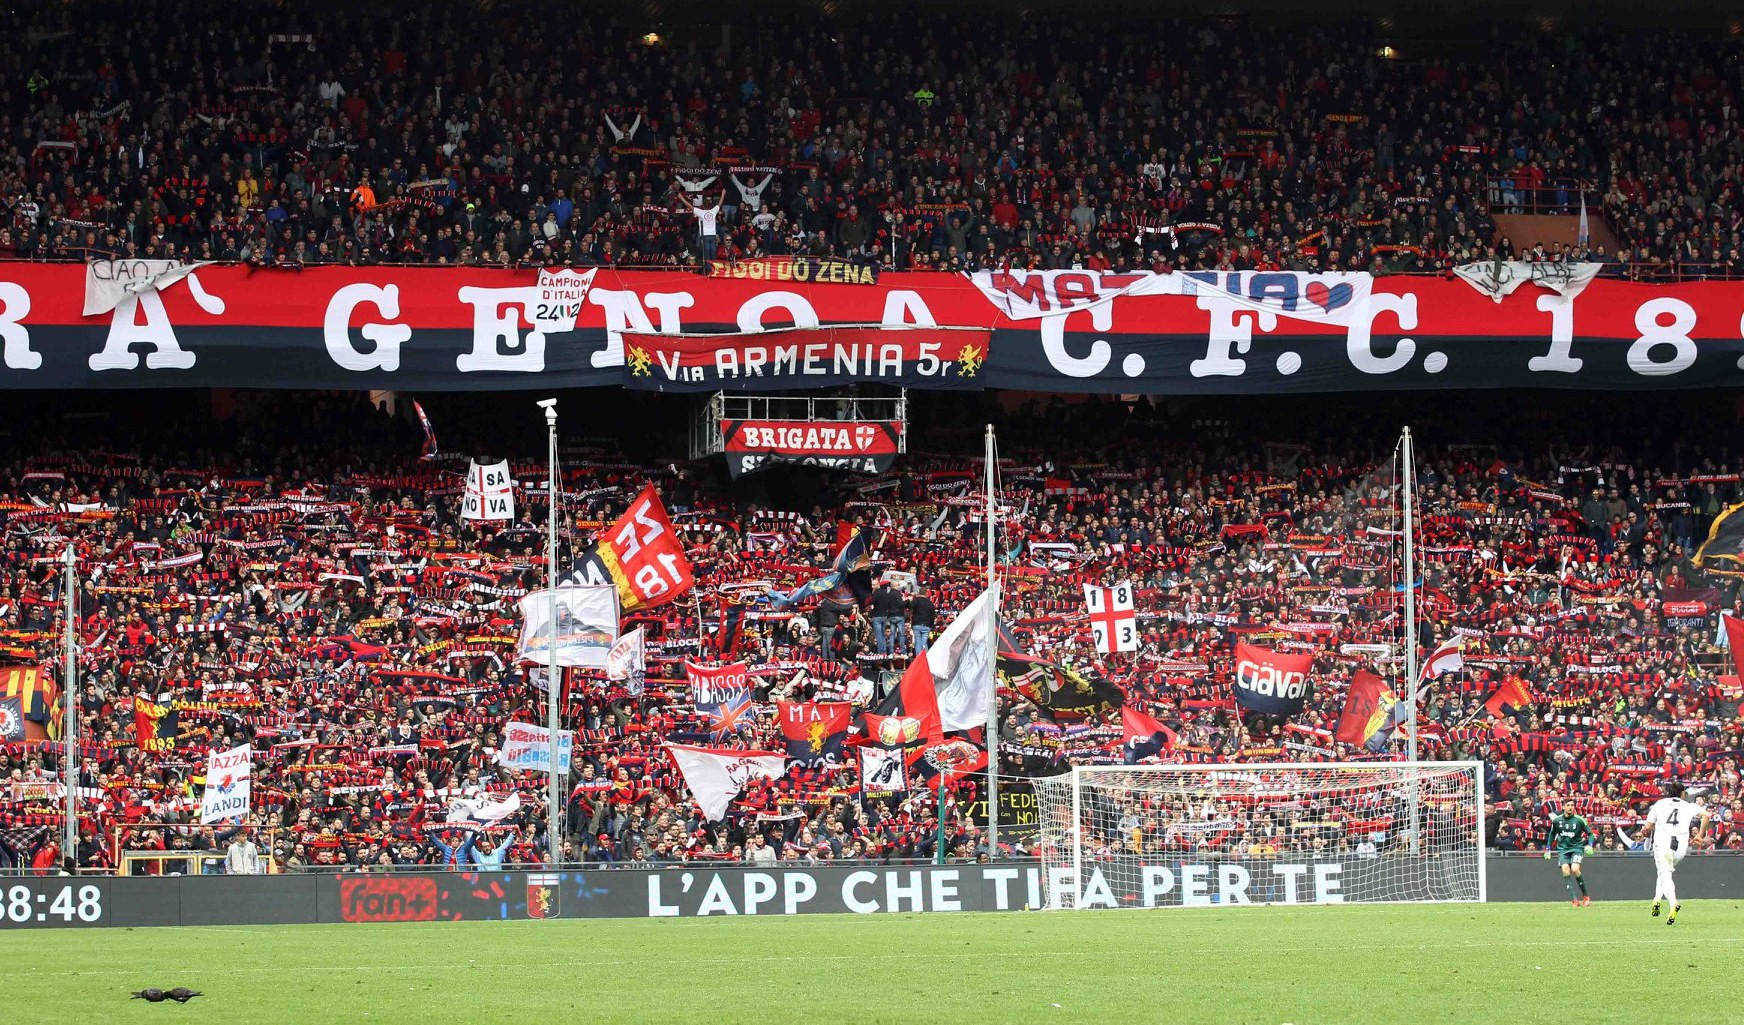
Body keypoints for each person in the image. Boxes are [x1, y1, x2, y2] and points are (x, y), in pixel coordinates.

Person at [1636, 781, 1710, 924]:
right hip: (1680, 847)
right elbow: (1706, 815)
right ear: (1683, 793)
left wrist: (1645, 831)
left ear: (1668, 793)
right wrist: (1700, 835)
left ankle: (1673, 903)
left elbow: (1648, 826)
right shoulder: (1689, 806)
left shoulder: (1660, 804)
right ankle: (1656, 901)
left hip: (1663, 843)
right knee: (1663, 872)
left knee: (1664, 873)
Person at [1544, 798, 1596, 906]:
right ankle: (1574, 900)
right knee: (1565, 871)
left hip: (1577, 848)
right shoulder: (1557, 821)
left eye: (1572, 805)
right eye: (1568, 805)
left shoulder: (1579, 820)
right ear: (1563, 807)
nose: (1570, 807)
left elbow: (1590, 834)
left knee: (1575, 869)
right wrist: (1548, 849)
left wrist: (1590, 845)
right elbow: (1552, 834)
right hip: (1563, 849)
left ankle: (1585, 896)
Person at [909, 587, 936, 655]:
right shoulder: (930, 603)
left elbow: (910, 605)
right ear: (926, 593)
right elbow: (932, 616)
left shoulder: (916, 600)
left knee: (918, 642)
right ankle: (925, 658)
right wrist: (931, 625)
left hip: (917, 624)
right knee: (924, 642)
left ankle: (918, 658)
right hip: (926, 625)